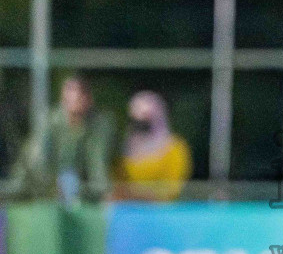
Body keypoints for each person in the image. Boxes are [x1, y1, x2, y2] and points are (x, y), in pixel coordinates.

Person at [11, 75, 115, 204]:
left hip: (78, 190)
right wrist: (51, 187)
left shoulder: (99, 123)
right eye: (69, 97)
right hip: (39, 188)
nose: (75, 101)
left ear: (89, 99)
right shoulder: (49, 122)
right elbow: (36, 160)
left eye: (80, 96)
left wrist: (102, 193)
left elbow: (97, 163)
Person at [116, 91, 192, 200]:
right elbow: (117, 185)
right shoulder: (124, 149)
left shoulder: (175, 148)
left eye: (145, 118)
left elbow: (172, 189)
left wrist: (140, 195)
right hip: (129, 212)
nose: (140, 123)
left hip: (162, 214)